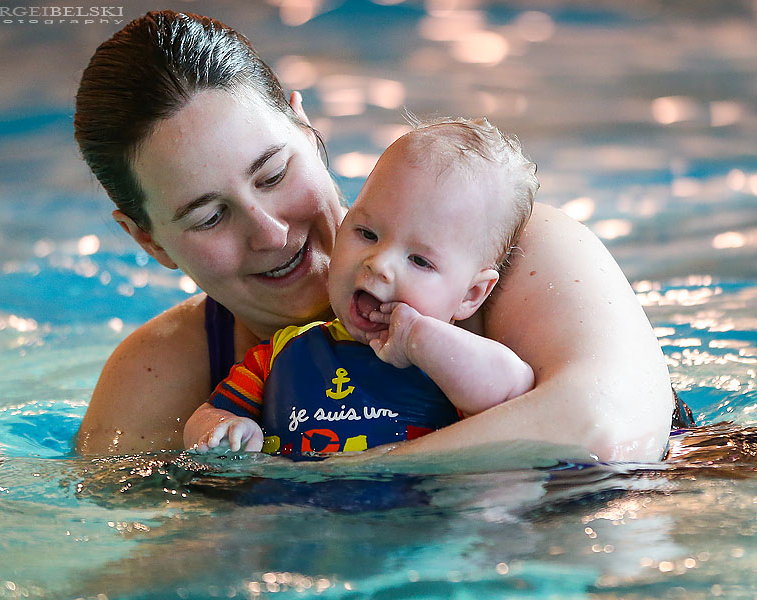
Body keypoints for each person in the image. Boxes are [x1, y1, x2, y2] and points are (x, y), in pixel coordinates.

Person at [73, 10, 687, 462]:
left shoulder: (519, 251)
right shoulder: (160, 375)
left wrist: (332, 481)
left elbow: (608, 433)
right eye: (209, 216)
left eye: (275, 174)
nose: (271, 231)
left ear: (308, 129)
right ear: (148, 242)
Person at [183, 119, 537, 455]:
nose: (379, 264)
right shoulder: (281, 352)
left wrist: (420, 339)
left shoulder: (453, 364)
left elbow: (514, 389)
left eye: (420, 261)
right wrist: (223, 428)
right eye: (367, 234)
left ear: (471, 294)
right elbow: (207, 414)